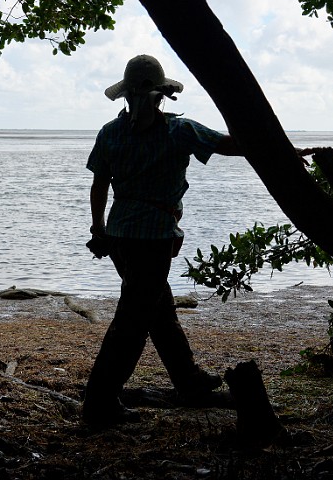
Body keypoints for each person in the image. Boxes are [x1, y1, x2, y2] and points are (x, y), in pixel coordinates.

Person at [83, 54, 243, 427]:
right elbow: (228, 144)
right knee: (133, 320)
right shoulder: (178, 130)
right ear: (162, 95)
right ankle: (99, 401)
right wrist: (277, 150)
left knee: (158, 309)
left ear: (125, 95)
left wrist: (97, 229)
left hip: (120, 235)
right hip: (153, 238)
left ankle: (189, 383)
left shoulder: (110, 132)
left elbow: (98, 185)